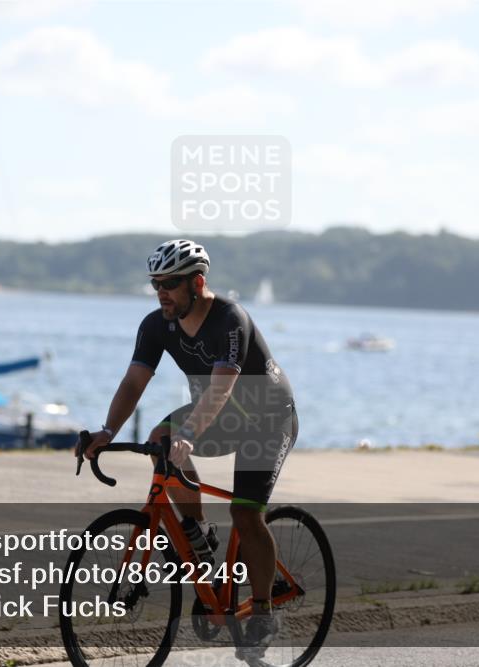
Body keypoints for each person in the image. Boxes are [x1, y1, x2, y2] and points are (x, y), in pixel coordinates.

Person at [81, 239, 298, 658]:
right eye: (155, 283)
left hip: (268, 420)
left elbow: (220, 391)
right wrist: (107, 431)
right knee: (159, 441)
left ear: (197, 283)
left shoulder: (230, 320)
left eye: (170, 283)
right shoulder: (156, 324)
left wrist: (191, 434)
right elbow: (133, 382)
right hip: (219, 414)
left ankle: (265, 612)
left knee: (245, 511)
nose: (161, 291)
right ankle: (198, 534)